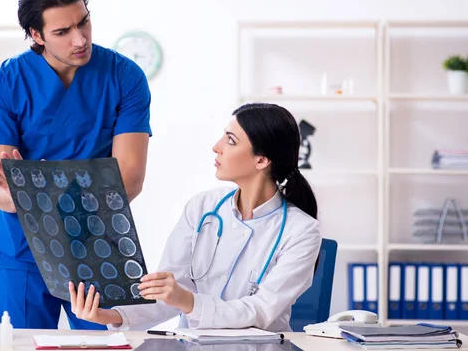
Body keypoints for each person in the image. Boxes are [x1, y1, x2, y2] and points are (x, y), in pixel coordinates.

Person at [0, 0, 152, 330]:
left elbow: (129, 180)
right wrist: (79, 191)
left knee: (108, 342)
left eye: (83, 22)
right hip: (20, 250)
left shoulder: (125, 77)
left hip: (98, 244)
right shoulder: (4, 85)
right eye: (62, 32)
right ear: (36, 35)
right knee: (20, 343)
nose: (80, 39)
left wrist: (33, 188)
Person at [69, 103, 321, 331]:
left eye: (231, 140)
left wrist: (188, 301)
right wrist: (110, 315)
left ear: (262, 160)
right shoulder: (203, 208)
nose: (216, 146)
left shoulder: (301, 231)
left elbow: (262, 310)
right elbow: (168, 294)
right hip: (192, 344)